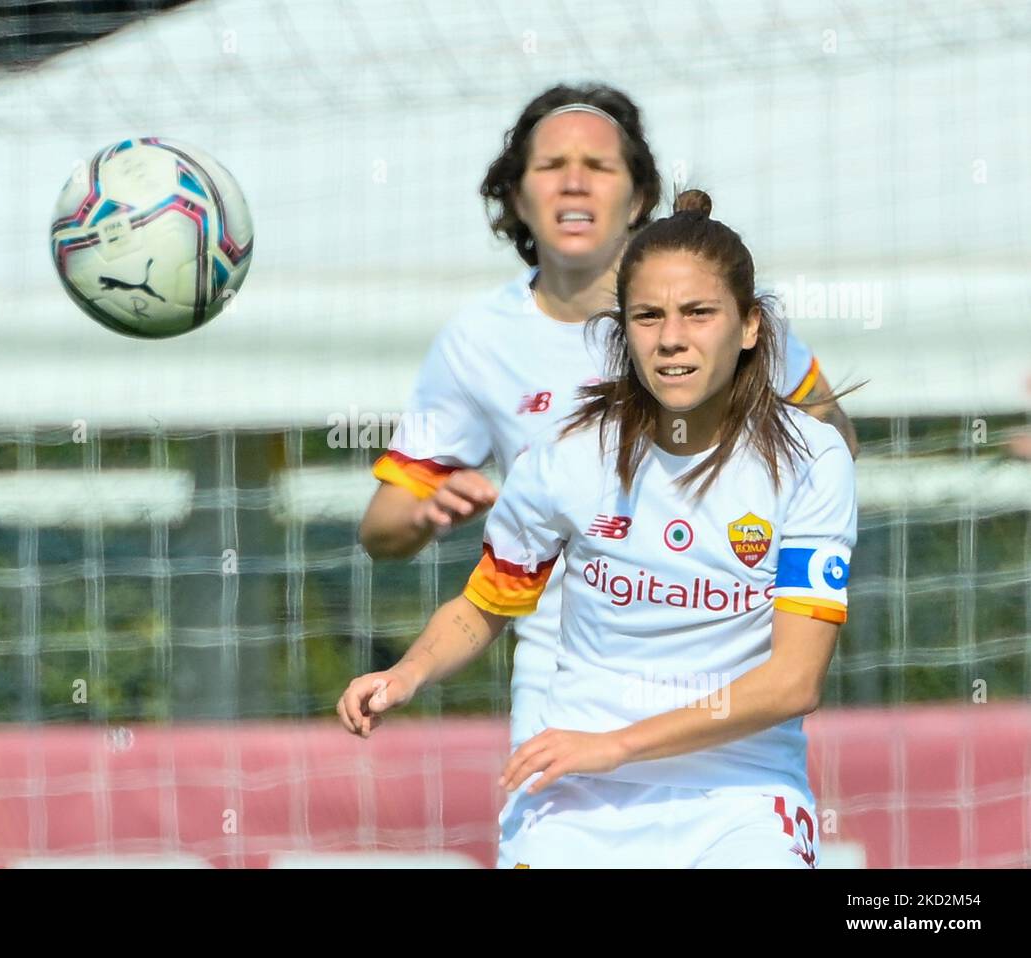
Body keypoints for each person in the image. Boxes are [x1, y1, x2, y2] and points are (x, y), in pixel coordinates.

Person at [357, 85, 858, 862]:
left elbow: (794, 683)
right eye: (649, 318)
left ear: (752, 325)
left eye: (700, 315)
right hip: (572, 740)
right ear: (620, 331)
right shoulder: (556, 440)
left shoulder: (809, 453)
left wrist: (620, 743)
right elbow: (477, 596)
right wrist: (407, 672)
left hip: (736, 781)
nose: (673, 338)